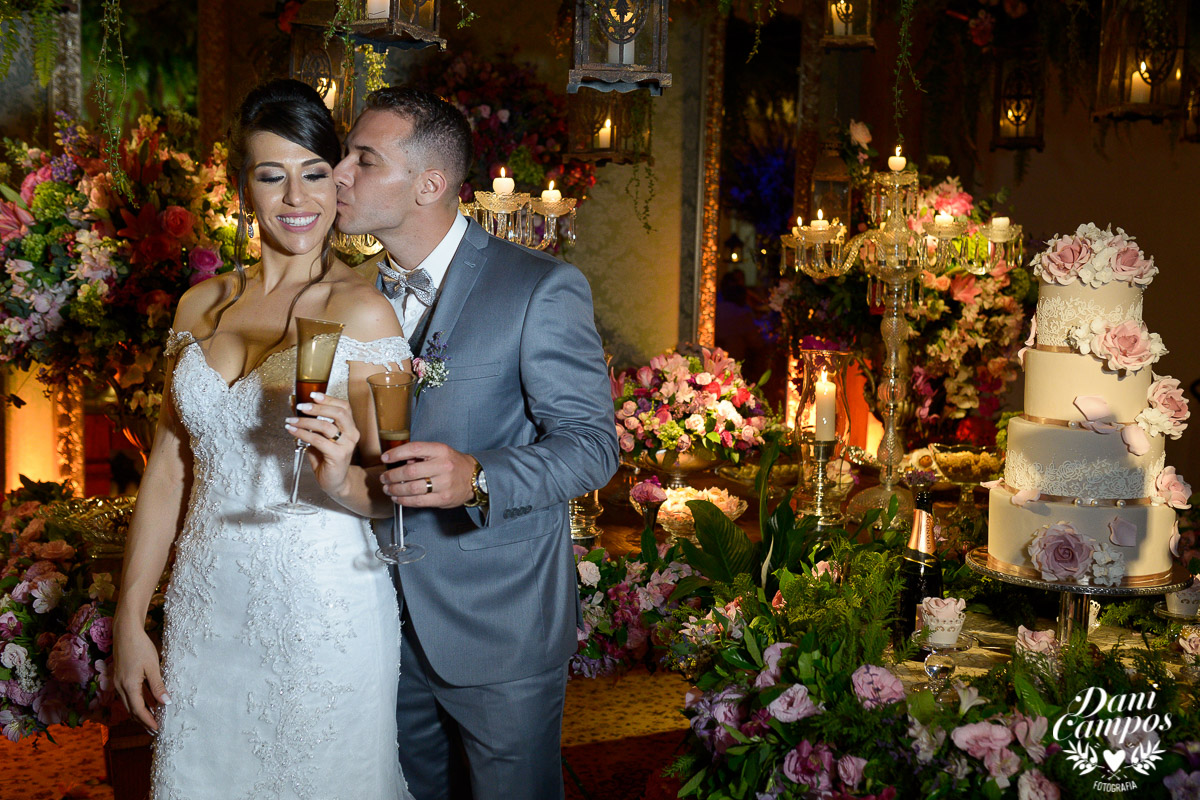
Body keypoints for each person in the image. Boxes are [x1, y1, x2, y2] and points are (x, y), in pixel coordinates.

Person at [111, 79, 414, 799]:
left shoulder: (365, 312)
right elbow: (169, 471)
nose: (296, 199)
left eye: (314, 173)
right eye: (272, 176)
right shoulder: (201, 304)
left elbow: (393, 493)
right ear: (243, 184)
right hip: (206, 602)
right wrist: (131, 618)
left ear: (337, 179)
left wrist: (341, 474)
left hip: (321, 607)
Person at [332, 87, 619, 800]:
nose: (339, 173)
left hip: (499, 621)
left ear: (430, 183)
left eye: (363, 160)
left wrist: (481, 477)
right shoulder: (343, 291)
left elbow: (591, 446)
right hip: (369, 620)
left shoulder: (540, 288)